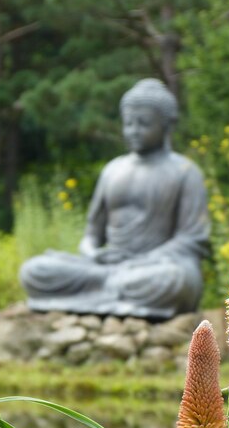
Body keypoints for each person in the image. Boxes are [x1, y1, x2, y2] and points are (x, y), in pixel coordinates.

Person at [20, 78, 209, 319]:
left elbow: (191, 240)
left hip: (154, 267)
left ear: (166, 125)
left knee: (174, 280)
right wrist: (92, 254)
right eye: (128, 123)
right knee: (34, 270)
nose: (133, 131)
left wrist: (141, 261)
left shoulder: (185, 172)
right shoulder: (113, 170)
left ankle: (97, 294)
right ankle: (111, 292)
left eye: (144, 124)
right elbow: (91, 235)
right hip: (107, 267)